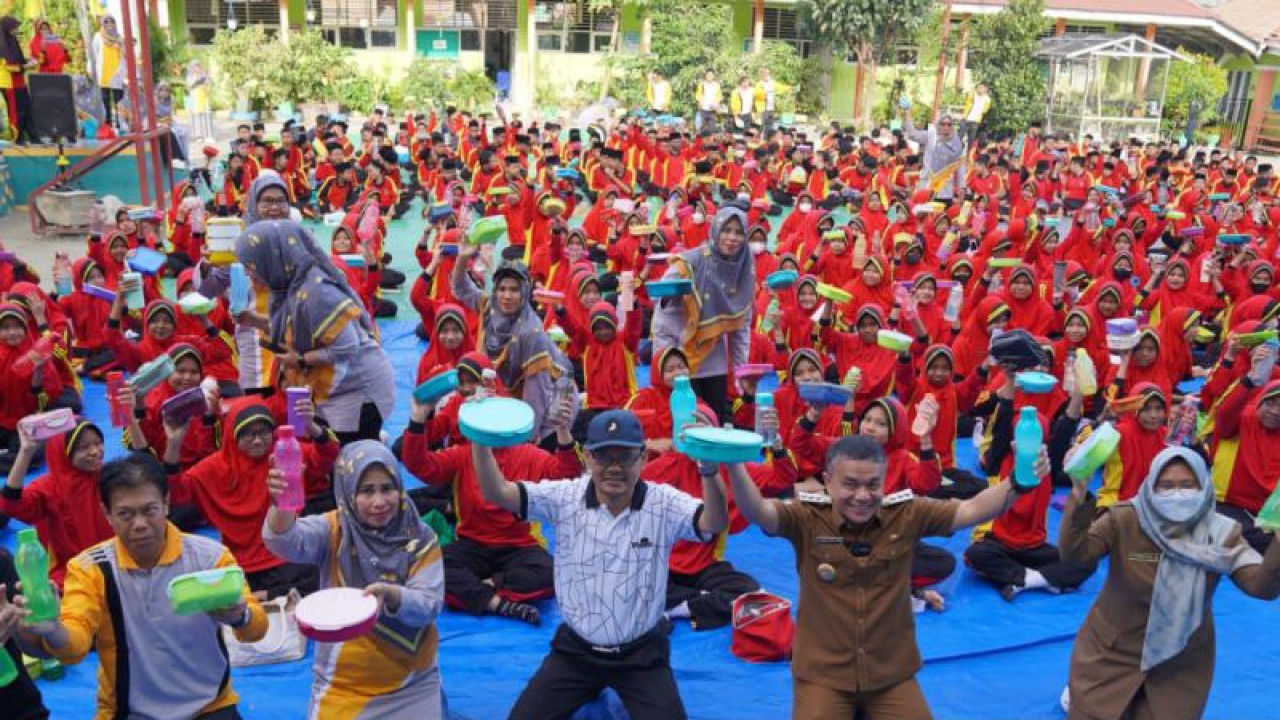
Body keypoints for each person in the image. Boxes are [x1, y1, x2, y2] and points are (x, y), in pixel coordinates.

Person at [728, 434, 1052, 719]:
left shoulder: (906, 513)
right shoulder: (806, 517)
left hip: (890, 673)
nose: (862, 496)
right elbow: (759, 512)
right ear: (827, 481)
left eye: (872, 485)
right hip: (823, 673)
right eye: (850, 484)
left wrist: (1018, 482)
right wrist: (731, 464)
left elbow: (971, 510)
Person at [473, 409, 730, 720]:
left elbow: (713, 521)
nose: (615, 467)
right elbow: (496, 492)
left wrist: (709, 468)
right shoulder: (564, 497)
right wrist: (479, 434)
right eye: (604, 456)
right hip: (575, 652)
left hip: (641, 654)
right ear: (587, 458)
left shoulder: (663, 503)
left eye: (625, 457)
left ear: (643, 459)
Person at [14, 452, 268, 720]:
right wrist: (54, 630)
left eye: (150, 510)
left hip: (209, 706)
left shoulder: (209, 556)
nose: (139, 525)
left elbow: (256, 630)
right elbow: (74, 645)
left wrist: (241, 617)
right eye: (125, 514)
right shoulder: (91, 568)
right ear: (107, 514)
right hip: (129, 713)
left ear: (167, 504)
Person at [1060, 446, 1280, 720]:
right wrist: (1080, 494)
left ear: (1204, 486)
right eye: (1166, 486)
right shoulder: (1125, 518)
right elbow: (1075, 554)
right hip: (1113, 650)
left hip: (1181, 658)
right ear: (1151, 485)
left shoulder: (1221, 532)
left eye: (1188, 485)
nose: (1177, 494)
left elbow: (1261, 586)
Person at [263, 441, 445, 719]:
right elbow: (285, 541)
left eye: (387, 488)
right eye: (366, 490)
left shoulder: (420, 536)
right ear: (347, 491)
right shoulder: (333, 529)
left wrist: (392, 595)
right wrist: (282, 503)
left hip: (412, 680)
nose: (379, 502)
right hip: (344, 683)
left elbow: (429, 604)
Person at [235, 216, 397, 444]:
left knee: (351, 456)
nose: (248, 272)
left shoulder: (317, 294)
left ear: (272, 259)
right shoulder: (289, 287)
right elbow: (300, 330)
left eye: (251, 264)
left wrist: (300, 359)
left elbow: (347, 347)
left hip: (358, 392)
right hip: (333, 387)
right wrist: (256, 321)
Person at [652, 206, 753, 422]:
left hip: (712, 359)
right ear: (715, 231)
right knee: (683, 422)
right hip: (678, 356)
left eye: (738, 232)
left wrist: (739, 372)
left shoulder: (744, 269)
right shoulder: (690, 262)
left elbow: (741, 328)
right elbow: (660, 308)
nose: (732, 238)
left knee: (714, 421)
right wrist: (664, 361)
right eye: (726, 230)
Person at [901, 106, 966, 203]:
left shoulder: (956, 142)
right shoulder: (931, 135)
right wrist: (907, 112)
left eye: (949, 124)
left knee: (941, 217)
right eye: (943, 124)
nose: (946, 127)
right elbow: (912, 134)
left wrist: (962, 187)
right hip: (927, 185)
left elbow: (960, 166)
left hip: (945, 190)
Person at [0, 16, 36, 144]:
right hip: (9, 84)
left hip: (20, 82)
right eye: (14, 27)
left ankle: (33, 136)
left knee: (27, 108)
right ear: (6, 28)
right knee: (16, 113)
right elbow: (9, 66)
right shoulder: (1, 44)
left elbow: (18, 59)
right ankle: (18, 138)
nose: (16, 29)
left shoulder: (13, 41)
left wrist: (28, 60)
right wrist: (26, 66)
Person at [90, 16, 125, 128]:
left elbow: (124, 55)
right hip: (103, 73)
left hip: (117, 73)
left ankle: (119, 122)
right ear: (102, 24)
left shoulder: (119, 38)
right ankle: (108, 122)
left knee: (118, 99)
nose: (109, 25)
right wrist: (91, 69)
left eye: (111, 22)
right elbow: (93, 55)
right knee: (105, 100)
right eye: (106, 22)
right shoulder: (98, 37)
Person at [185, 60, 214, 143]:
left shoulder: (204, 75)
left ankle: (208, 136)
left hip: (204, 97)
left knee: (206, 116)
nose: (196, 68)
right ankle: (198, 136)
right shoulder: (190, 76)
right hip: (195, 98)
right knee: (196, 117)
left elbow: (209, 84)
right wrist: (196, 82)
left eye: (198, 66)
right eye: (194, 67)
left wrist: (206, 82)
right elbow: (189, 86)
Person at [695, 70, 721, 134]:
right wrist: (700, 103)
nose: (709, 76)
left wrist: (716, 105)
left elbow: (718, 96)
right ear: (705, 76)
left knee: (711, 129)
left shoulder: (716, 85)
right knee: (700, 128)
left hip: (712, 110)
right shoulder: (702, 84)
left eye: (711, 75)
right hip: (703, 109)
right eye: (708, 75)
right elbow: (698, 95)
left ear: (714, 76)